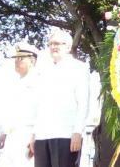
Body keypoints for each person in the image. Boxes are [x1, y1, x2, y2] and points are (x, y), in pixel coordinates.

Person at [30, 29, 90, 167]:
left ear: (68, 47)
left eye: (57, 43)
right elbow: (39, 104)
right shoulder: (44, 70)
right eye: (50, 44)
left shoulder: (79, 68)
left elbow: (83, 103)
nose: (53, 47)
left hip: (66, 134)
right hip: (42, 135)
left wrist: (77, 132)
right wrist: (34, 133)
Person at [0, 42, 39, 167]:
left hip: (28, 135)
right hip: (11, 136)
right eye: (16, 59)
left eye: (21, 58)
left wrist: (35, 135)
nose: (17, 61)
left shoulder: (39, 82)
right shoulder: (14, 83)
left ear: (32, 61)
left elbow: (43, 112)